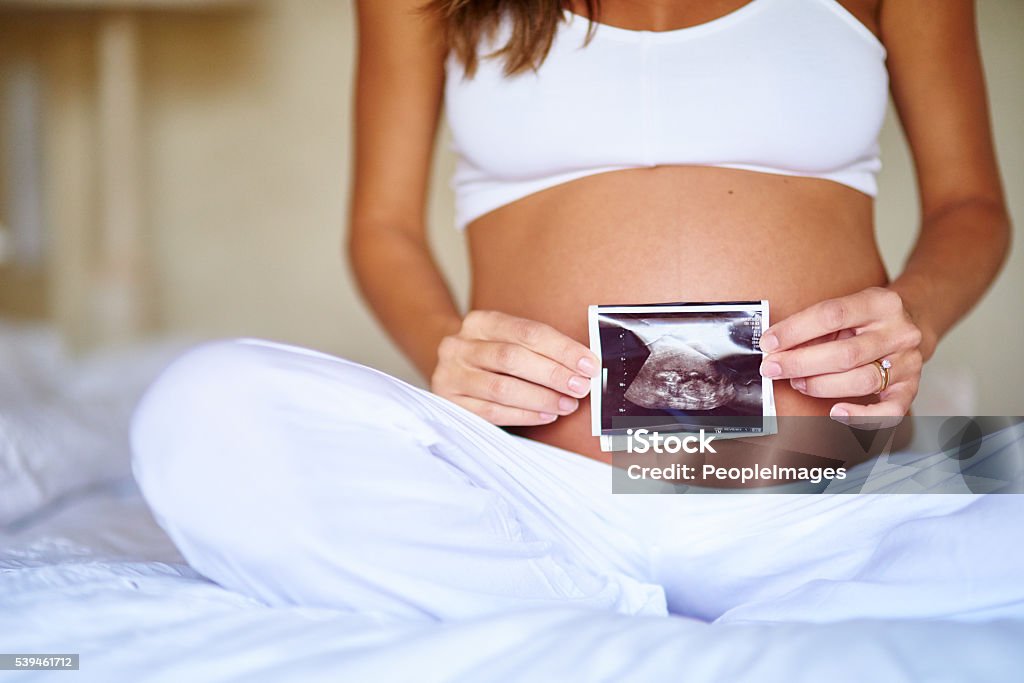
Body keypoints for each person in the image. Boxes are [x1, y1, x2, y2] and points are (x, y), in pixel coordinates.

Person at [131, 0, 1021, 623]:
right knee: (200, 407)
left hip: (830, 485)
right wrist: (449, 348)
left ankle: (696, 597)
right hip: (536, 498)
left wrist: (914, 316)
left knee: (997, 478)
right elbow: (382, 228)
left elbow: (972, 207)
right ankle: (604, 599)